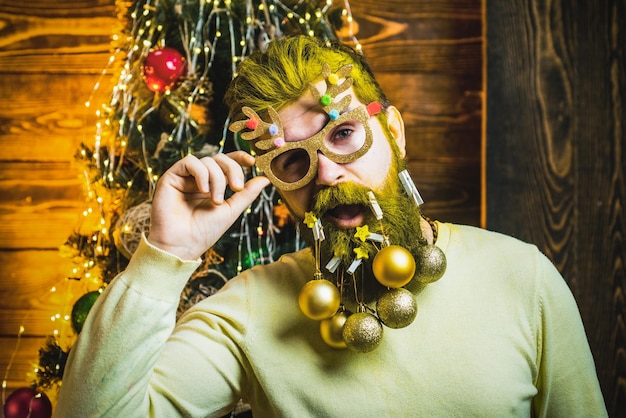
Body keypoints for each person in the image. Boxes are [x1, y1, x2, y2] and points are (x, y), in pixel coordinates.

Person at [54, 35, 607, 417]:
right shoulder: (247, 312)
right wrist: (162, 255)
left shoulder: (523, 278)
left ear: (393, 130)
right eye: (294, 161)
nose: (326, 173)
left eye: (341, 134)